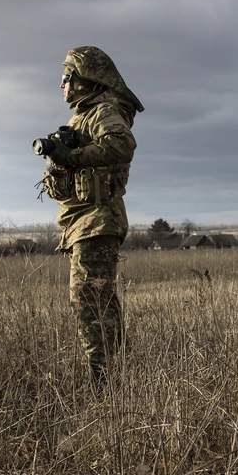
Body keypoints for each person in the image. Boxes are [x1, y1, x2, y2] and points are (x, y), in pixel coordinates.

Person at [38, 46, 142, 379]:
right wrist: (59, 160)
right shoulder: (82, 117)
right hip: (85, 223)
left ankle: (104, 382)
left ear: (84, 80)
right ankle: (115, 378)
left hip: (98, 222)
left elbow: (122, 145)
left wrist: (74, 155)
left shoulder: (102, 112)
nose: (61, 85)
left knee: (88, 302)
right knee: (98, 301)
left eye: (66, 77)